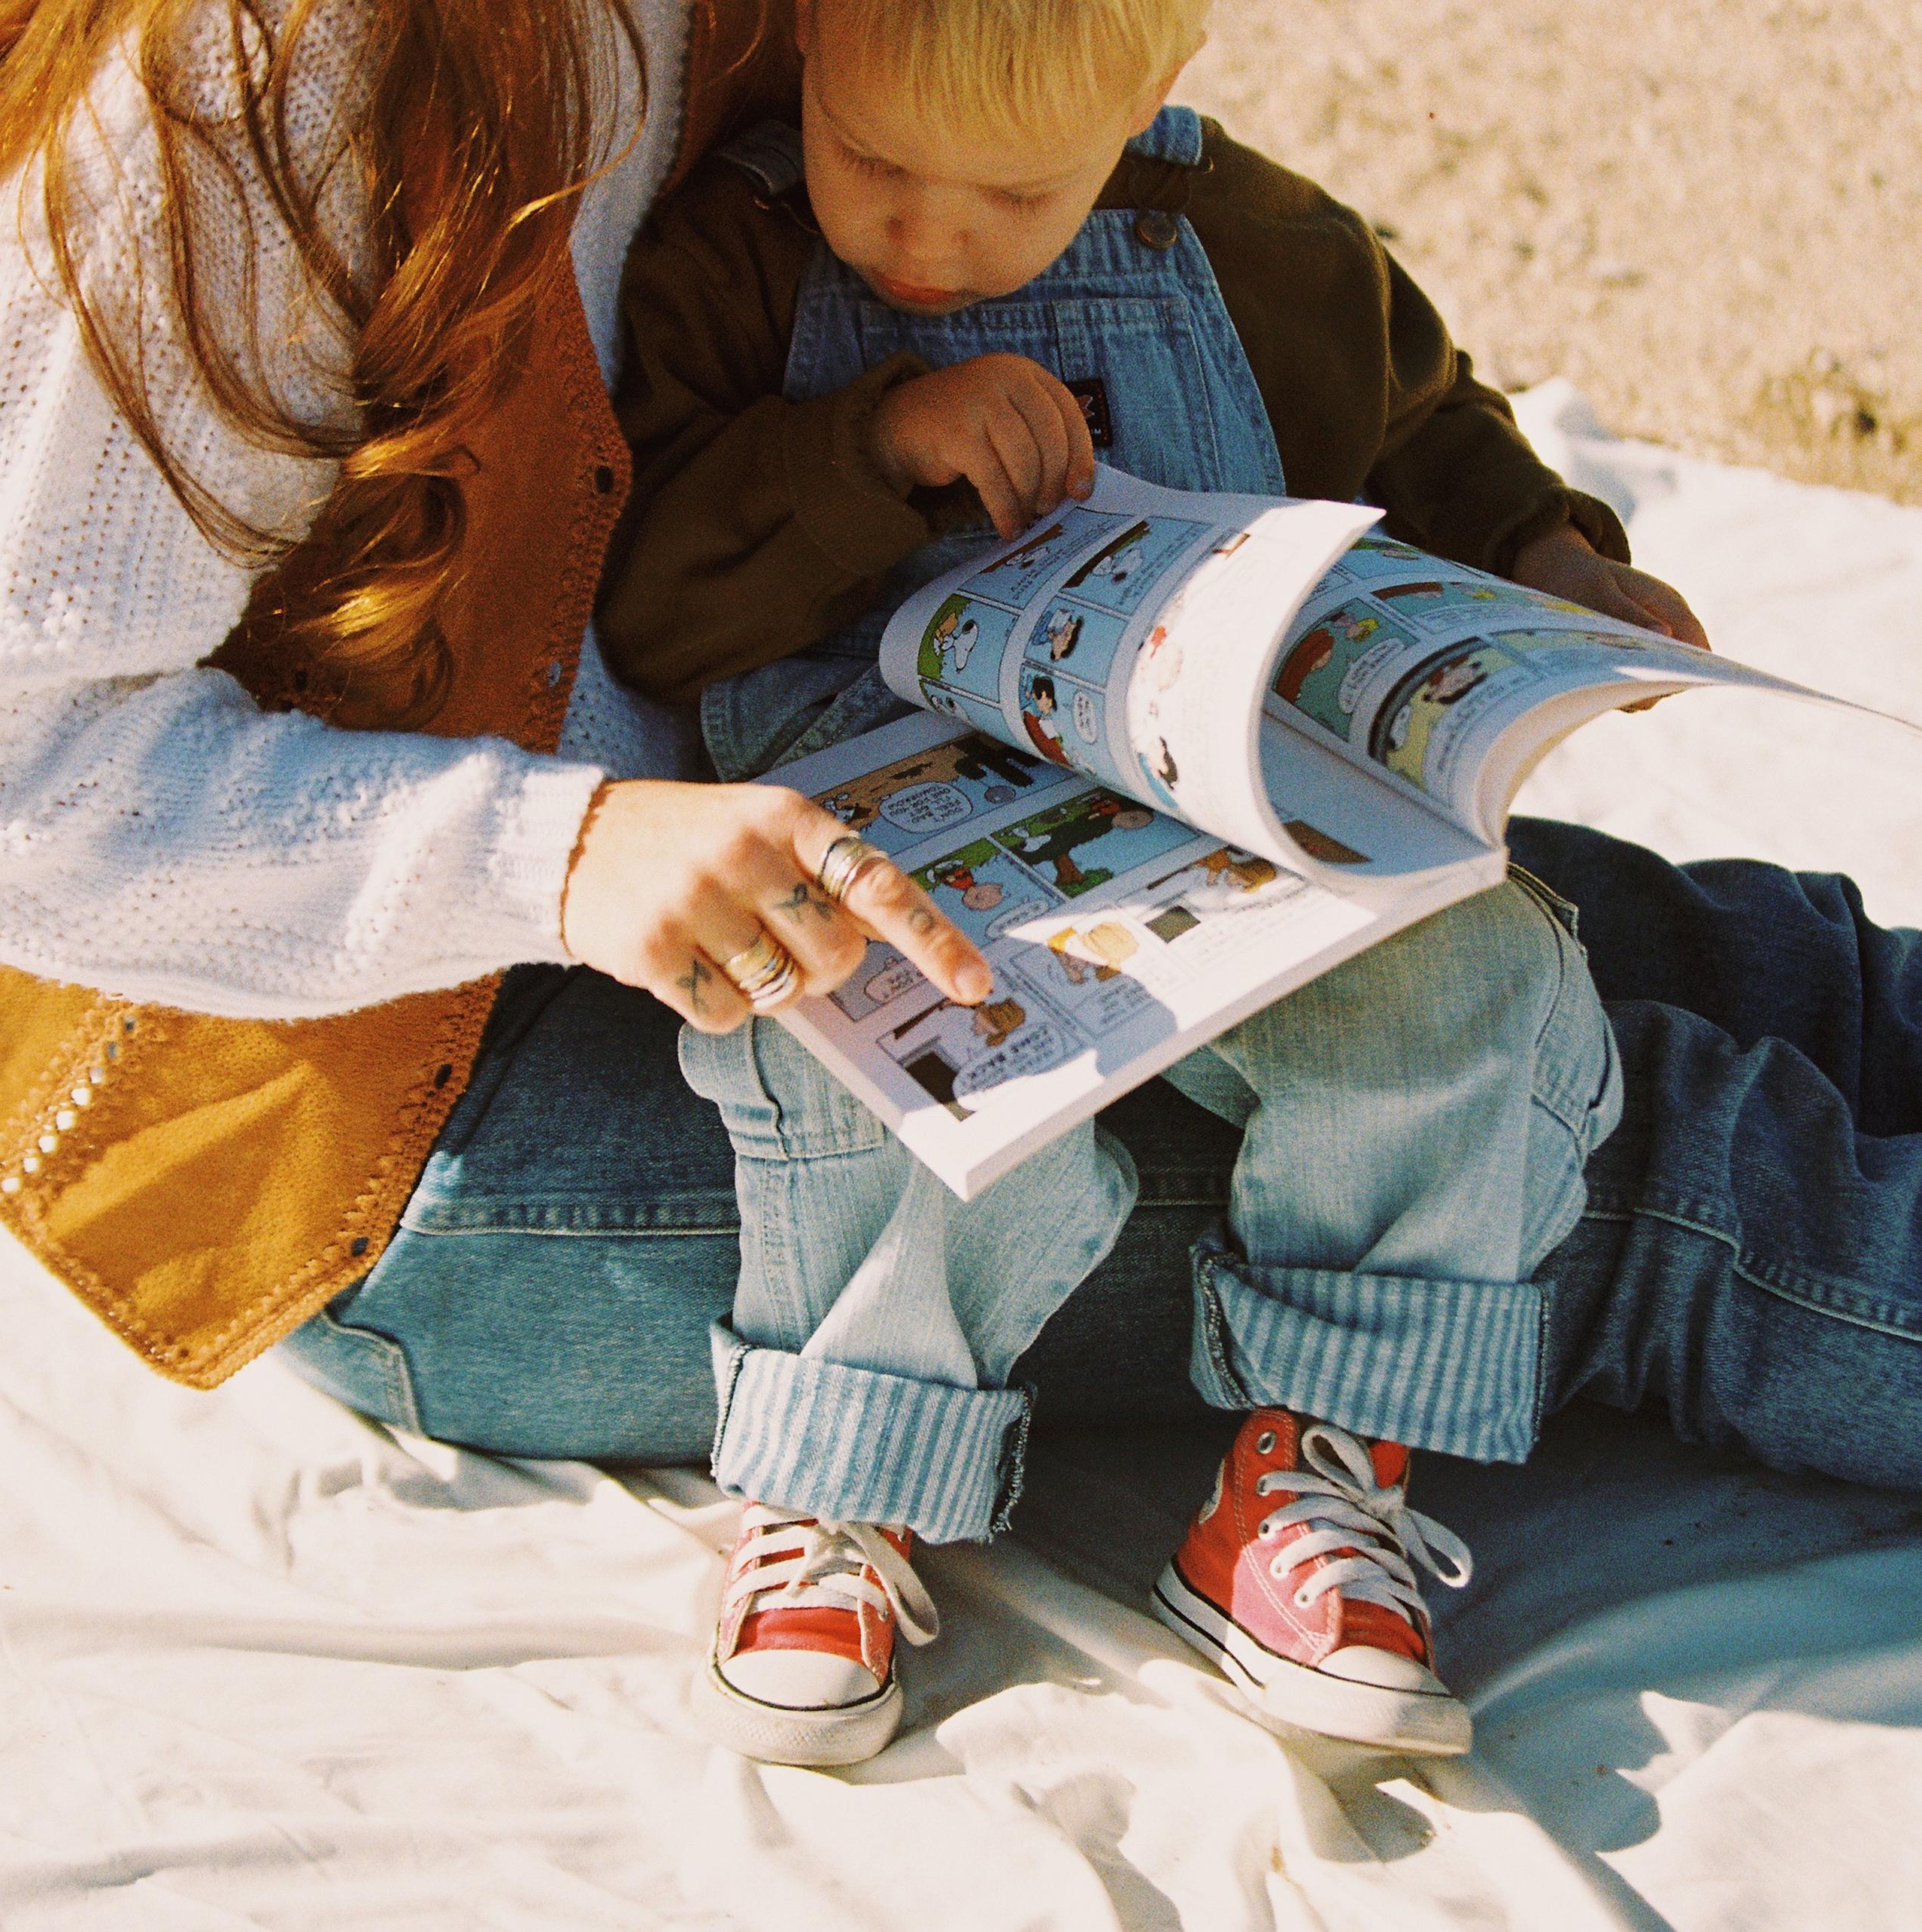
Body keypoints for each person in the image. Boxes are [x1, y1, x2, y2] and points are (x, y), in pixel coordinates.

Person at [0, 0, 1922, 1785]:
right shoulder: (270, 71)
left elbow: (1094, 143)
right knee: (1645, 1170)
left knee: (1678, 966)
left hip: (780, 826)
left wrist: (1487, 560)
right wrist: (564, 845)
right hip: (390, 1101)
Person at [591, 0, 1701, 1765]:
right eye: (872, 161)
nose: (928, 237)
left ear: (1151, 94)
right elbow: (642, 593)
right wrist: (866, 451)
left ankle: (1314, 1467)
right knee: (867, 1035)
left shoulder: (1267, 247)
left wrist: (1553, 554)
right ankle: (846, 1488)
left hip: (1212, 818)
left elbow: (1435, 432)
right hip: (881, 824)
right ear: (806, 44)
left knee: (1468, 976)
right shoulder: (730, 259)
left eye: (1016, 190)